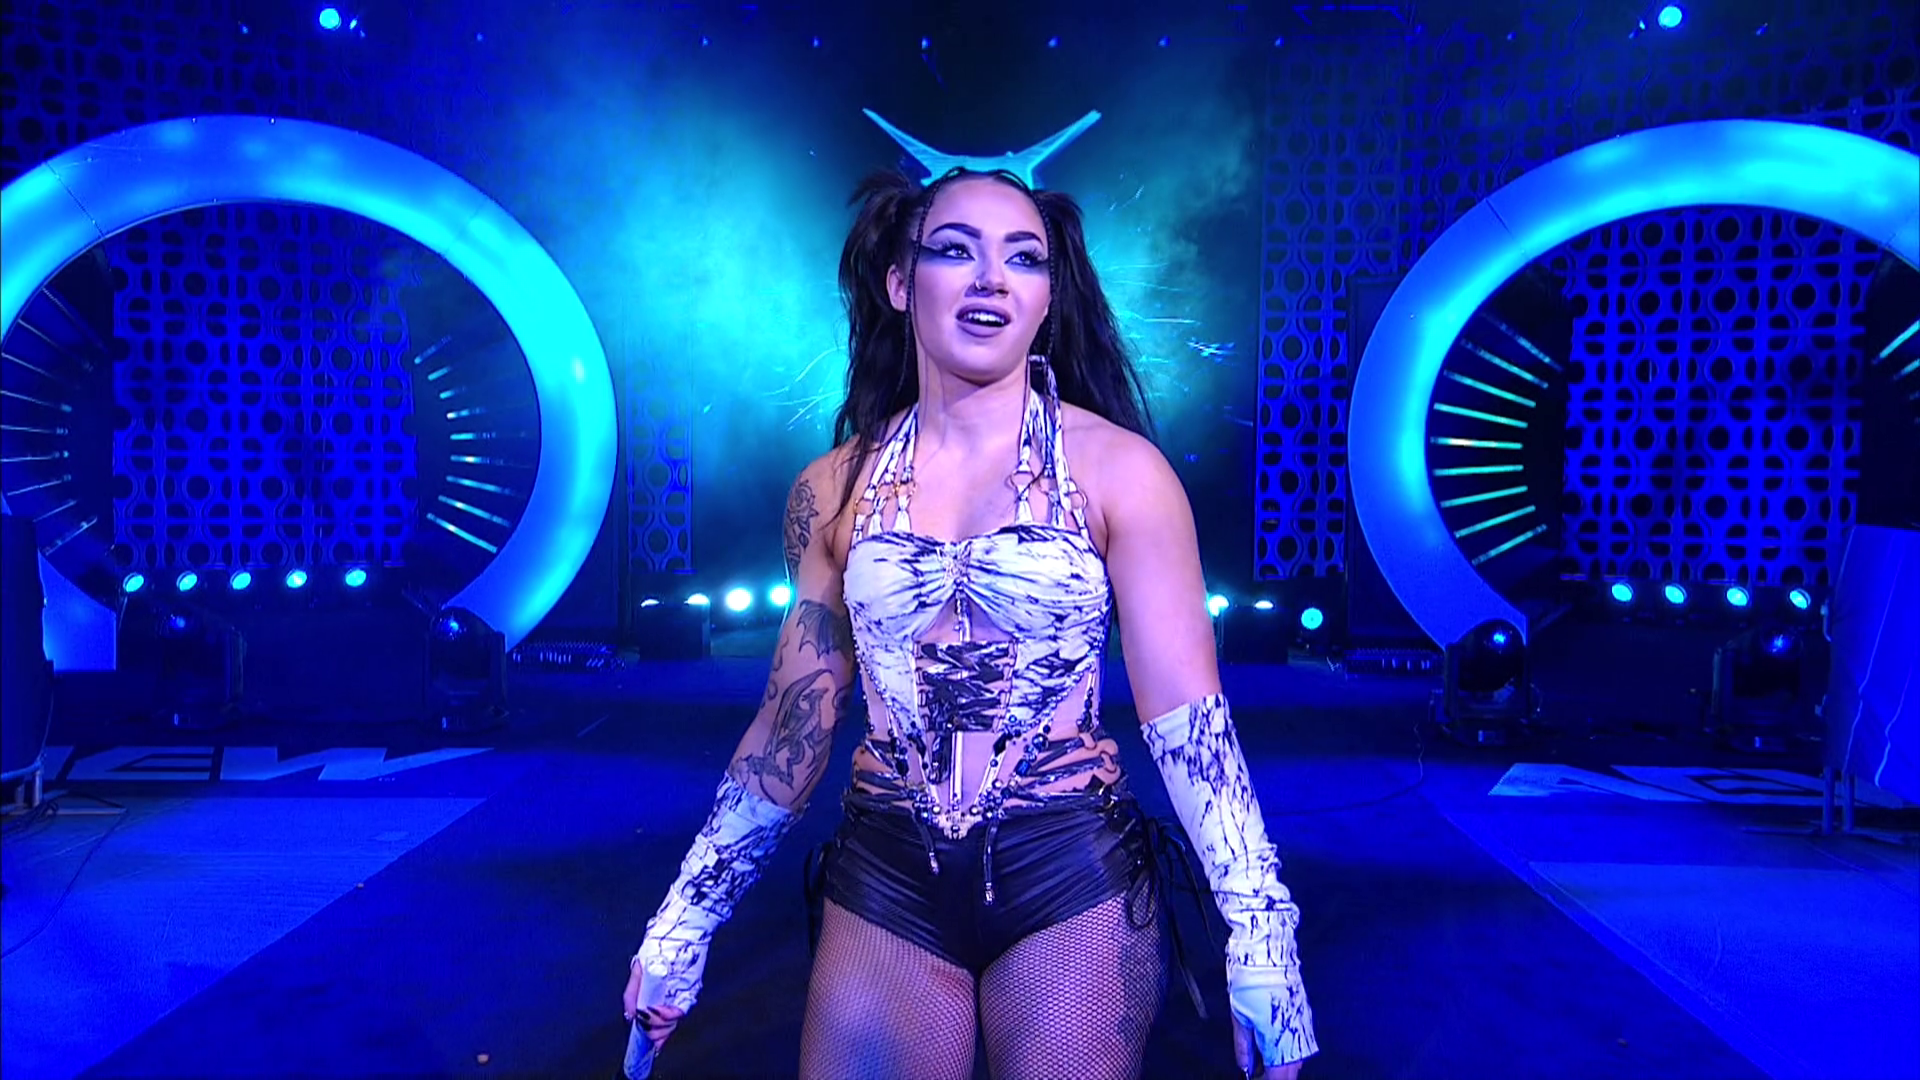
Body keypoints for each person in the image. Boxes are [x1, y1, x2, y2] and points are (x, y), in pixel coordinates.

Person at [622, 165, 1318, 1080]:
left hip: (1068, 871)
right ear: (900, 284)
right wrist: (683, 922)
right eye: (956, 251)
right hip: (886, 874)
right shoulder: (832, 490)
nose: (992, 278)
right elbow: (792, 727)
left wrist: (1262, 941)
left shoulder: (1120, 472)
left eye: (1023, 259)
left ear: (1048, 298)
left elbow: (1189, 722)